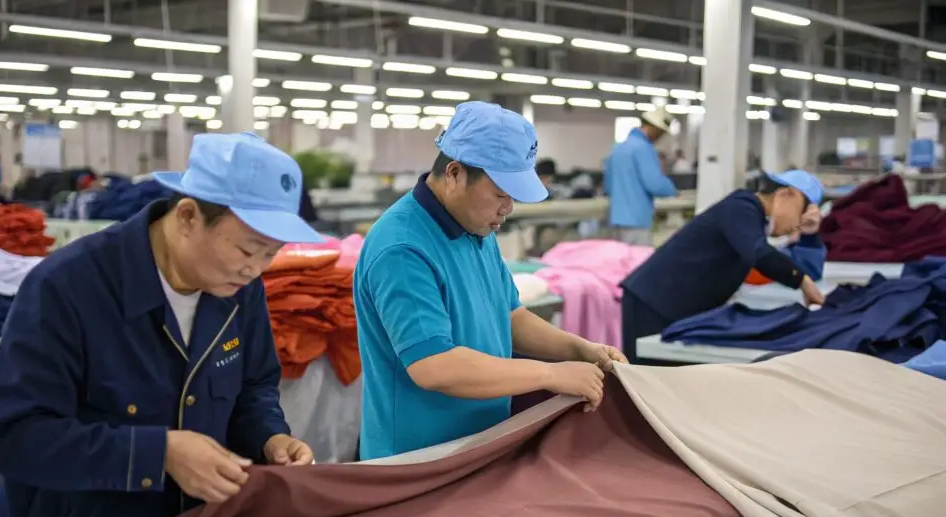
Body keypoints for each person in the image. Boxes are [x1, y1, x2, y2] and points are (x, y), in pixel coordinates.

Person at [0, 132, 321, 517]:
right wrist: (159, 454)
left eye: (271, 254)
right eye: (248, 249)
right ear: (187, 217)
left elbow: (253, 386)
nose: (255, 270)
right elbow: (13, 437)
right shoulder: (68, 289)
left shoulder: (237, 288)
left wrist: (270, 437)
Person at [353, 101, 627, 461]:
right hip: (416, 458)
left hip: (477, 443)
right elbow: (435, 366)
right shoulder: (402, 248)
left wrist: (580, 350)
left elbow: (510, 317)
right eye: (500, 194)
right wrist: (550, 374)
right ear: (454, 173)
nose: (508, 208)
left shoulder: (475, 229)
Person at [620, 169, 827, 364]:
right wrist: (801, 281)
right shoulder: (741, 206)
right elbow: (760, 255)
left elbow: (808, 268)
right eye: (800, 213)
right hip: (653, 302)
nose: (797, 225)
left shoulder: (754, 223)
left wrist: (809, 237)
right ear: (785, 195)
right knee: (644, 385)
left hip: (677, 307)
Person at [603, 108, 678, 246]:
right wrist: (672, 190)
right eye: (661, 133)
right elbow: (654, 184)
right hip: (637, 220)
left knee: (621, 263)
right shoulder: (644, 149)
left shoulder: (618, 148)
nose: (660, 137)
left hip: (616, 218)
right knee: (638, 262)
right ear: (653, 128)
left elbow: (608, 185)